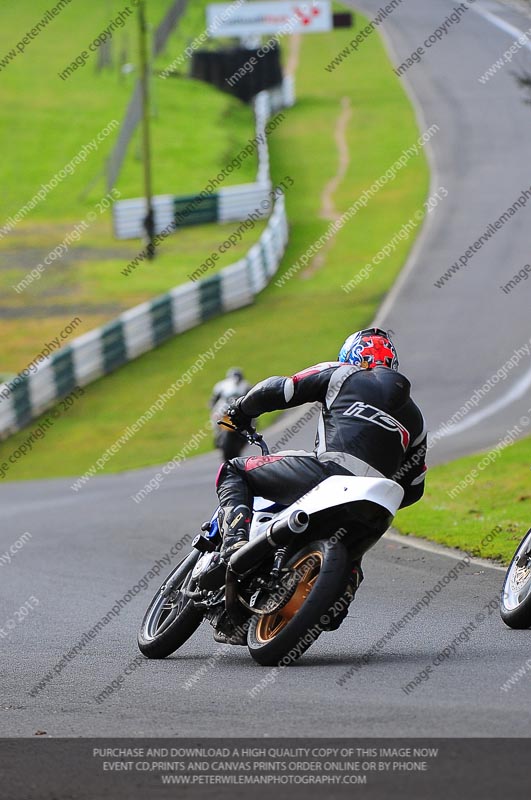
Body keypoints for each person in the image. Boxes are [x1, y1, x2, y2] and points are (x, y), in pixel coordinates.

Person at [216, 328, 427, 559]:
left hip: (329, 474)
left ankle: (234, 545)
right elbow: (414, 488)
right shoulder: (417, 419)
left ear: (350, 356)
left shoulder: (343, 373)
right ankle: (345, 585)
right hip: (376, 510)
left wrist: (241, 408)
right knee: (353, 565)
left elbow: (282, 389)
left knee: (234, 470)